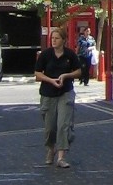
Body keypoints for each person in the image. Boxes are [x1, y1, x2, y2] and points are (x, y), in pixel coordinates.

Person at [34, 26, 81, 168]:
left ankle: (61, 157)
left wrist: (66, 75)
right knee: (50, 128)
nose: (53, 41)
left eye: (57, 38)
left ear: (63, 40)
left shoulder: (70, 55)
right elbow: (37, 73)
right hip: (48, 93)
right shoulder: (46, 54)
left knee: (63, 125)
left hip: (65, 92)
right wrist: (50, 80)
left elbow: (78, 71)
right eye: (52, 38)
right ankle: (51, 149)